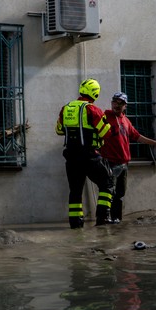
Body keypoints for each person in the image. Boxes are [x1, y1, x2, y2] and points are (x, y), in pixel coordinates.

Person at [99, 92, 156, 224]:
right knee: (108, 192)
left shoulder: (126, 121)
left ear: (125, 105)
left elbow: (137, 137)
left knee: (119, 193)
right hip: (110, 162)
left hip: (124, 163)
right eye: (114, 102)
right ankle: (103, 218)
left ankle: (116, 218)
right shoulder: (106, 116)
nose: (116, 105)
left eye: (120, 103)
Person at [55, 78, 114, 228]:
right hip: (89, 156)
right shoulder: (92, 109)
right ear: (95, 93)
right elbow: (106, 132)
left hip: (71, 157)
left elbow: (59, 130)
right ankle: (102, 218)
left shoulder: (66, 108)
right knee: (107, 183)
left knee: (75, 190)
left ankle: (75, 224)